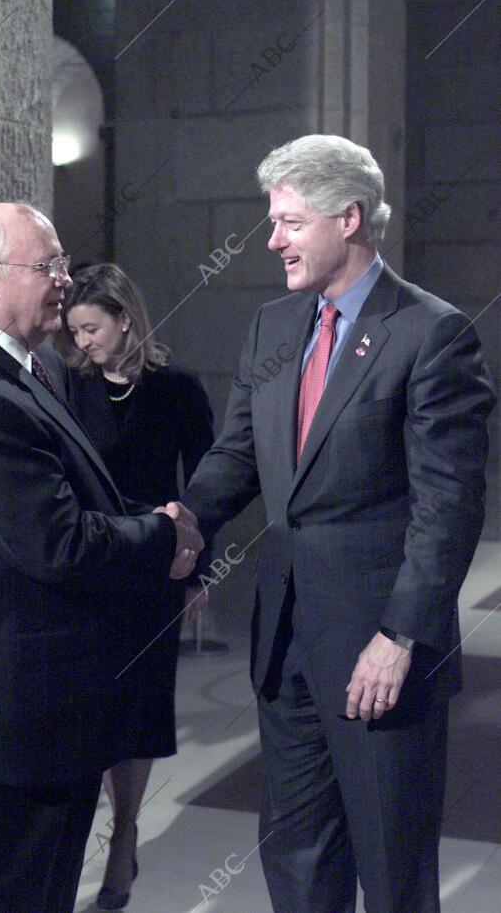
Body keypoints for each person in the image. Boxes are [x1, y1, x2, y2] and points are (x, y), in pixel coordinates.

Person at [180, 134, 496, 913]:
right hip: (284, 644)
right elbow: (236, 456)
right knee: (298, 862)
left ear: (348, 218)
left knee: (392, 872)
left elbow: (448, 506)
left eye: (289, 221)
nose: (272, 239)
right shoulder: (272, 328)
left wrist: (401, 636)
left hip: (378, 654)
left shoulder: (432, 334)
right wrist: (183, 522)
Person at [0, 202, 203, 913]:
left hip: (25, 724)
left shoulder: (12, 368)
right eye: (49, 266)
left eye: (64, 262)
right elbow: (58, 543)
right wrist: (164, 532)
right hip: (6, 736)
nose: (67, 280)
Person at [60, 263, 214, 910]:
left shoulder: (177, 388)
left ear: (125, 317)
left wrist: (202, 572)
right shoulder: (69, 386)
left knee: (141, 708)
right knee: (92, 709)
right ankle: (103, 831)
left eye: (92, 328)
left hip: (155, 573)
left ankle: (124, 835)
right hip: (92, 570)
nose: (84, 342)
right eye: (75, 331)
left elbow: (206, 485)